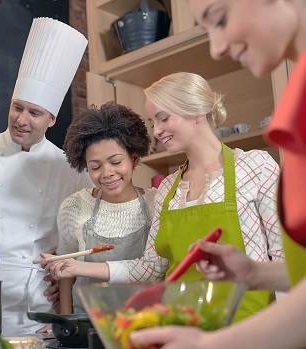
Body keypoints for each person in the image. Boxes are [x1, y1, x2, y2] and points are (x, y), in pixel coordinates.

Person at [129, 0, 306, 348]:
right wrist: (254, 274)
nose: (217, 47)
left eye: (220, 19)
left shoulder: (255, 166)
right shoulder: (168, 188)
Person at [44, 71, 283, 322]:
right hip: (183, 326)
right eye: (152, 122)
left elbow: (284, 257)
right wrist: (76, 267)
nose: (157, 131)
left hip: (251, 324)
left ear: (197, 111)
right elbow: (151, 267)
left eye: (163, 118)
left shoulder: (256, 167)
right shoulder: (168, 190)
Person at [0, 17, 92, 336]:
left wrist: (64, 284)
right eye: (18, 108)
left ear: (52, 119)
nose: (21, 119)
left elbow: (87, 240)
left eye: (34, 113)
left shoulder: (71, 167)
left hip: (36, 303)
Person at [54, 102, 156, 314]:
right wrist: (65, 321)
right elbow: (66, 271)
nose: (107, 173)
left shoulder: (155, 203)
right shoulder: (74, 206)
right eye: (95, 167)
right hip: (87, 322)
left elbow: (156, 268)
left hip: (143, 323)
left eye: (116, 162)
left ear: (134, 159)